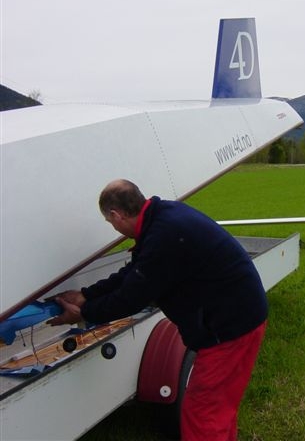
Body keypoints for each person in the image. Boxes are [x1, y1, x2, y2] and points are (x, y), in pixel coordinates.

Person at [49, 179, 268, 440]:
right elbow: (134, 272)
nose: (114, 227)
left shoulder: (163, 237)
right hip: (241, 315)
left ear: (117, 215)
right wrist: (86, 295)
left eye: (110, 222)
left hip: (229, 328)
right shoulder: (161, 218)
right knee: (219, 405)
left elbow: (131, 297)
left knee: (202, 411)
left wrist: (84, 313)